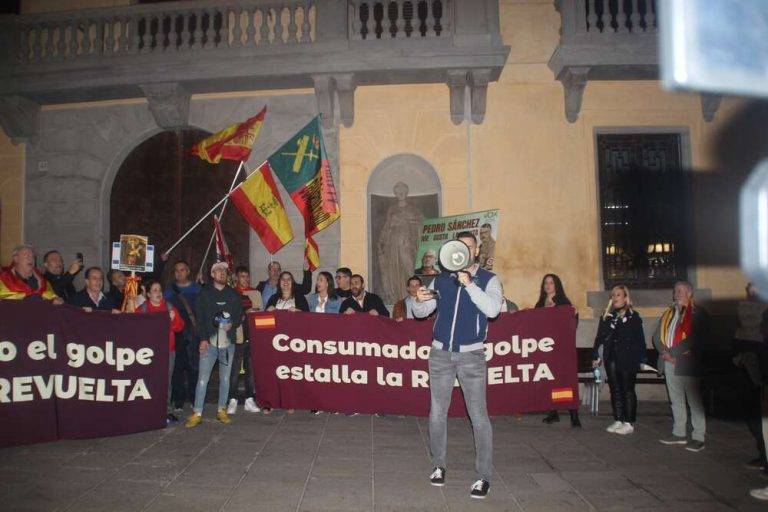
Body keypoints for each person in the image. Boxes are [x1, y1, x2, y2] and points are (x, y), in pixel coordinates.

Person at [413, 231, 503, 499]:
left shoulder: (489, 279)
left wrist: (470, 284)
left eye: (469, 247)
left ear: (476, 252)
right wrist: (419, 300)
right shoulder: (442, 279)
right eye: (459, 246)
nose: (464, 251)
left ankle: (483, 476)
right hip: (440, 354)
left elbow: (493, 310)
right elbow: (422, 313)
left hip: (471, 356)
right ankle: (438, 465)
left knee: (479, 417)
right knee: (437, 412)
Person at [185, 262, 244, 428]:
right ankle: (197, 412)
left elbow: (239, 315)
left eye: (224, 271)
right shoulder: (204, 294)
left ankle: (221, 410)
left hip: (227, 344)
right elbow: (200, 319)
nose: (222, 273)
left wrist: (232, 323)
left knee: (225, 378)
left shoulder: (233, 294)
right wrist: (203, 339)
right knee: (203, 379)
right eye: (218, 270)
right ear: (212, 274)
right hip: (209, 344)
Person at [652, 280, 709, 452]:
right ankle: (679, 433)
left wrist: (673, 353)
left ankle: (699, 436)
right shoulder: (669, 313)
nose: (676, 294)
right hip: (669, 362)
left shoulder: (699, 313)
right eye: (675, 291)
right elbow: (656, 336)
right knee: (676, 400)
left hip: (687, 363)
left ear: (690, 293)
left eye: (681, 291)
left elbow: (695, 338)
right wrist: (664, 352)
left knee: (694, 401)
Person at [591, 285, 645, 435]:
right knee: (615, 389)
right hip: (611, 357)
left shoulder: (633, 317)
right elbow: (599, 337)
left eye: (619, 295)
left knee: (627, 390)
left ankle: (629, 422)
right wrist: (595, 355)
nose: (615, 298)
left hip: (627, 358)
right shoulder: (607, 316)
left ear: (626, 298)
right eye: (613, 295)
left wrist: (641, 358)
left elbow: (640, 340)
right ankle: (619, 419)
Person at [536, 273, 582, 428]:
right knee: (550, 380)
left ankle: (573, 414)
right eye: (546, 283)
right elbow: (532, 323)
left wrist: (574, 314)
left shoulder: (563, 302)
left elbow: (572, 324)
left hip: (562, 348)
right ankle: (553, 412)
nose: (548, 286)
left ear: (557, 285)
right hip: (546, 348)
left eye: (551, 283)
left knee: (566, 380)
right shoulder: (541, 303)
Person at [136, 280, 184, 423]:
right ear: (149, 294)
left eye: (159, 290)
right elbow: (134, 329)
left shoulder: (169, 307)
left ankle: (166, 410)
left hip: (167, 352)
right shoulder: (142, 310)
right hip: (148, 353)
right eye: (155, 290)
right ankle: (148, 410)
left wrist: (174, 320)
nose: (158, 293)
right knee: (149, 381)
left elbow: (180, 327)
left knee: (166, 382)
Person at [733, 283, 768, 470]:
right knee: (753, 413)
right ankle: (763, 454)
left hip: (761, 367)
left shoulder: (758, 309)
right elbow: (741, 332)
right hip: (747, 364)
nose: (751, 292)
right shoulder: (748, 307)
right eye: (750, 289)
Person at [166, 260, 202, 414]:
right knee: (177, 370)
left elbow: (203, 310)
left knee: (194, 368)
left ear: (188, 271)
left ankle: (194, 399)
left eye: (182, 270)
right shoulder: (169, 291)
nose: (179, 273)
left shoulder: (197, 289)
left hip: (194, 334)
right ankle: (178, 401)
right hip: (177, 334)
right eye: (176, 270)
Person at [378, 181, 423, 303]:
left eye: (402, 191)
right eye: (398, 192)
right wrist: (382, 241)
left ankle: (413, 295)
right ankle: (397, 297)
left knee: (408, 268)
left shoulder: (413, 209)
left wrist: (408, 223)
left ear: (406, 192)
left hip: (407, 243)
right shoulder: (392, 209)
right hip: (393, 243)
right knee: (394, 269)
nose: (400, 193)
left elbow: (420, 225)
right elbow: (387, 226)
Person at [226, 266, 263, 415]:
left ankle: (249, 398)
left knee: (251, 370)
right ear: (236, 278)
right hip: (236, 337)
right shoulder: (231, 294)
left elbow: (260, 313)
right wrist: (244, 313)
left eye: (247, 276)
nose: (246, 279)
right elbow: (229, 315)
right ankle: (232, 399)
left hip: (252, 336)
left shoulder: (255, 293)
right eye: (242, 276)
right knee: (234, 370)